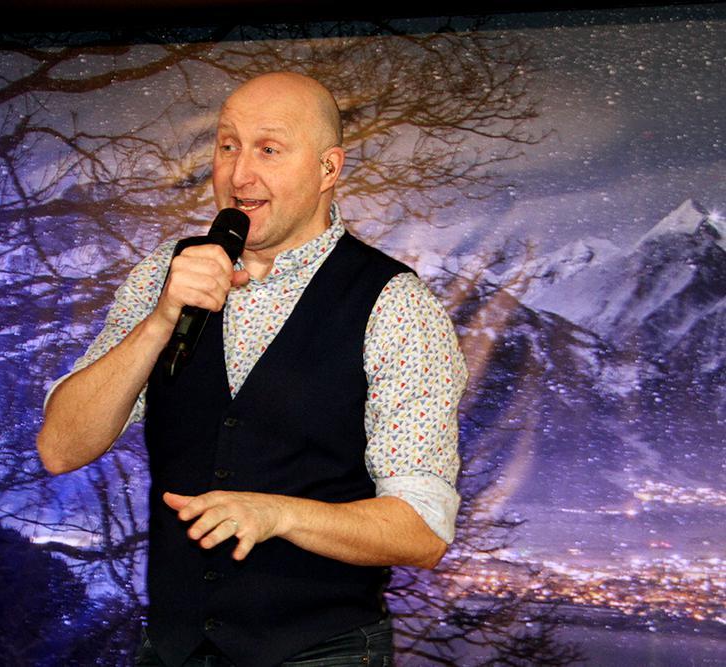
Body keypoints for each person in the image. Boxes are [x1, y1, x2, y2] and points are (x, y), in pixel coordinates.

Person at [37, 71, 468, 667]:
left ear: (328, 168)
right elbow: (61, 448)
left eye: (268, 149)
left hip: (320, 653)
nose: (239, 174)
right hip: (173, 649)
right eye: (227, 145)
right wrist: (161, 319)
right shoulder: (168, 272)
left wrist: (278, 514)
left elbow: (422, 530)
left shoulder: (395, 304)